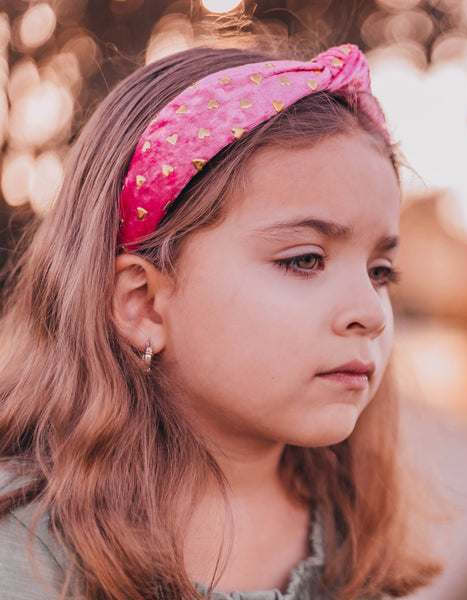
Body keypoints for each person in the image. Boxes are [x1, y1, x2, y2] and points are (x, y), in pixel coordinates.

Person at [0, 43, 440, 599]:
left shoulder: (347, 526)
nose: (371, 312)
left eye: (381, 272)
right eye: (305, 260)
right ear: (144, 304)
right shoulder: (26, 543)